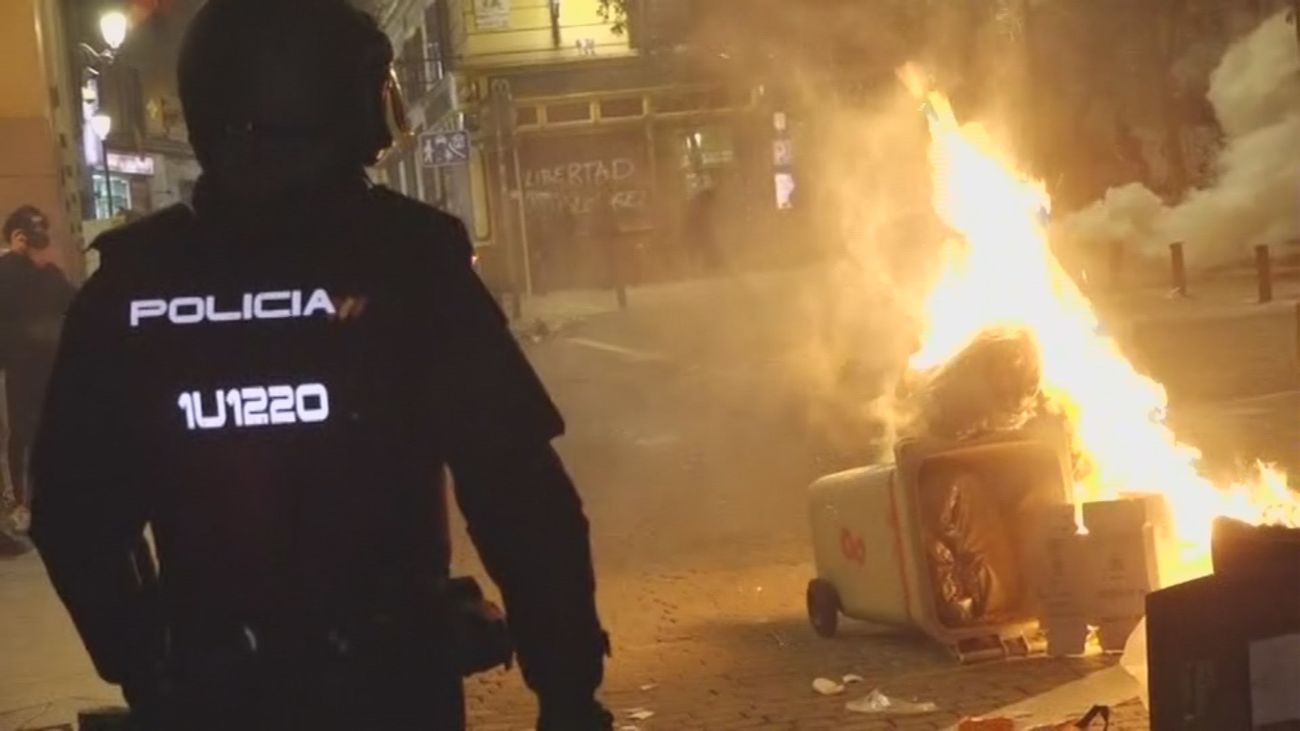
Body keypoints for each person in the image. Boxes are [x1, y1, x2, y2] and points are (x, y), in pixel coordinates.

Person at [29, 1, 611, 729]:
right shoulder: (410, 260)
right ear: (320, 99)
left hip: (212, 697)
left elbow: (71, 512)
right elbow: (520, 492)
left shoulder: (132, 283)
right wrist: (567, 685)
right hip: (394, 691)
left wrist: (148, 661)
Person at [0, 205, 75, 538]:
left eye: (42, 231)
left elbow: (75, 305)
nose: (38, 238)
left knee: (52, 430)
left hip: (50, 366)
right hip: (14, 370)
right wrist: (15, 259)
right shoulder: (6, 271)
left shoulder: (50, 275)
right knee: (20, 434)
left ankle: (50, 499)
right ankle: (20, 503)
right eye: (32, 232)